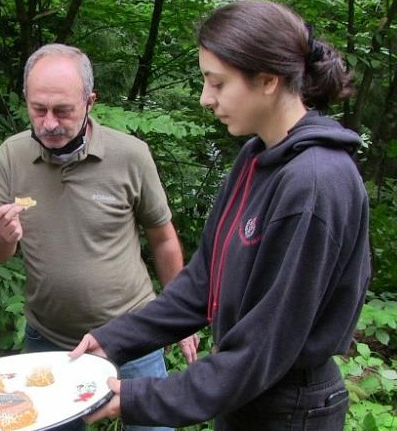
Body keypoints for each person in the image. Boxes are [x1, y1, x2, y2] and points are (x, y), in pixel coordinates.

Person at [71, 2, 371, 430]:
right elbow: (204, 281)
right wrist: (113, 340)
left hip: (290, 409)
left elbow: (266, 344)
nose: (205, 98)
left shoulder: (316, 182)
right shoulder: (256, 157)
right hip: (246, 394)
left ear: (267, 80)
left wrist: (141, 397)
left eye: (217, 83)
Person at [0, 44, 198, 431]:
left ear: (90, 101)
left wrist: (179, 317)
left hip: (133, 335)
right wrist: (2, 235)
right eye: (38, 109)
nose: (48, 123)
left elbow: (162, 239)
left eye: (63, 110)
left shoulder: (130, 156)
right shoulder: (11, 155)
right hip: (48, 341)